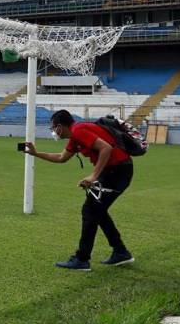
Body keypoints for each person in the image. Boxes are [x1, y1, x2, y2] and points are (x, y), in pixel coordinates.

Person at [23, 109, 135, 271]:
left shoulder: (79, 131)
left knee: (90, 210)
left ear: (60, 127)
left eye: (53, 128)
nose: (54, 131)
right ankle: (120, 251)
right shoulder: (75, 135)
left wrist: (93, 177)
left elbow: (106, 149)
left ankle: (82, 259)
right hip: (114, 171)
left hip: (117, 171)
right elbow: (61, 158)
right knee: (97, 210)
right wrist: (35, 153)